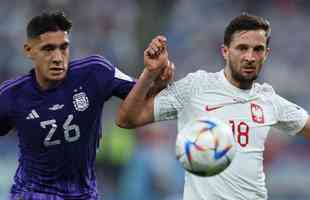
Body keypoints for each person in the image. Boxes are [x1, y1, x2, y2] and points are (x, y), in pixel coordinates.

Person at [116, 13, 310, 200]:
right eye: (242, 48)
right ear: (225, 51)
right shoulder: (195, 87)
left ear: (266, 54)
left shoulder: (268, 99)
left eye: (257, 49)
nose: (250, 57)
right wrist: (149, 74)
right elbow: (127, 119)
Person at [0, 11, 172, 200]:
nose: (58, 57)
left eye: (63, 48)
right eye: (48, 49)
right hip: (33, 194)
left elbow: (145, 94)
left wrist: (154, 74)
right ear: (29, 50)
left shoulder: (95, 72)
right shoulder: (11, 95)